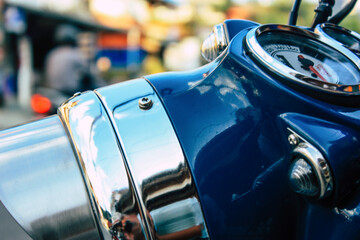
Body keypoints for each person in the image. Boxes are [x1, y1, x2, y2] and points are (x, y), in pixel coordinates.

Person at [44, 24, 102, 96]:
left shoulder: (52, 54)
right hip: (70, 92)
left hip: (53, 91)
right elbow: (88, 73)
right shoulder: (74, 54)